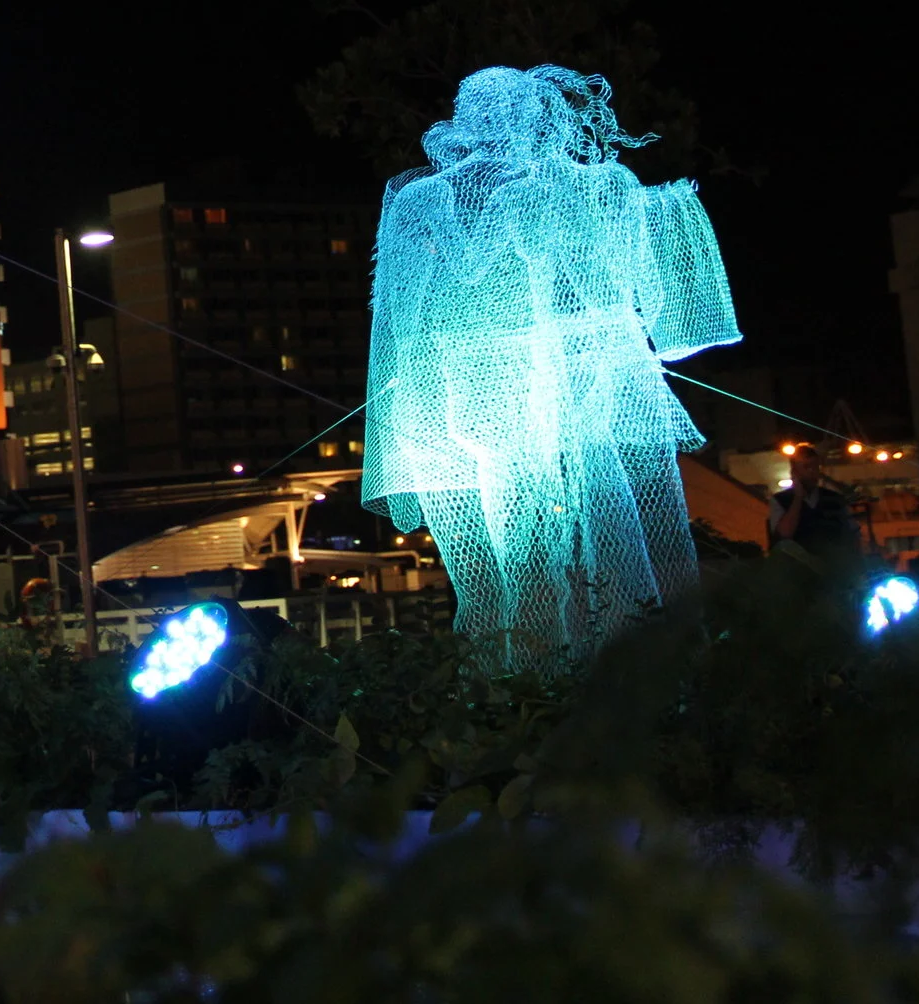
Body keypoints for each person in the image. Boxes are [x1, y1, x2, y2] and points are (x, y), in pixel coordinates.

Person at [362, 65, 741, 670]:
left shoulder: (576, 186)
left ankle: (569, 673)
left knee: (577, 519)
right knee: (550, 530)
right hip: (502, 376)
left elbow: (402, 322)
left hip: (543, 372)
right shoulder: (442, 197)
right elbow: (403, 318)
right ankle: (563, 675)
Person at [769, 445, 857, 554]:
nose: (812, 471)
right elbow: (784, 535)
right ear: (794, 471)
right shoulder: (780, 500)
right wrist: (798, 498)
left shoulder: (834, 499)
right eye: (806, 467)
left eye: (815, 467)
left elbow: (851, 533)